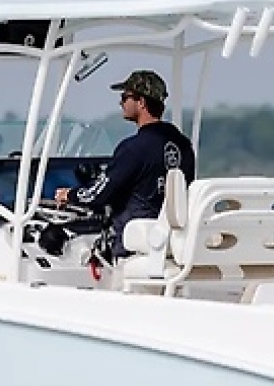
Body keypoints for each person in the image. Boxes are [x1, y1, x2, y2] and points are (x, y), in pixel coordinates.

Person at [54, 70, 196, 256]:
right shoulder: (184, 146)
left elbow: (98, 195)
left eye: (125, 97)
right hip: (173, 244)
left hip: (134, 247)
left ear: (141, 102)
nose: (121, 103)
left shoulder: (133, 149)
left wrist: (68, 195)